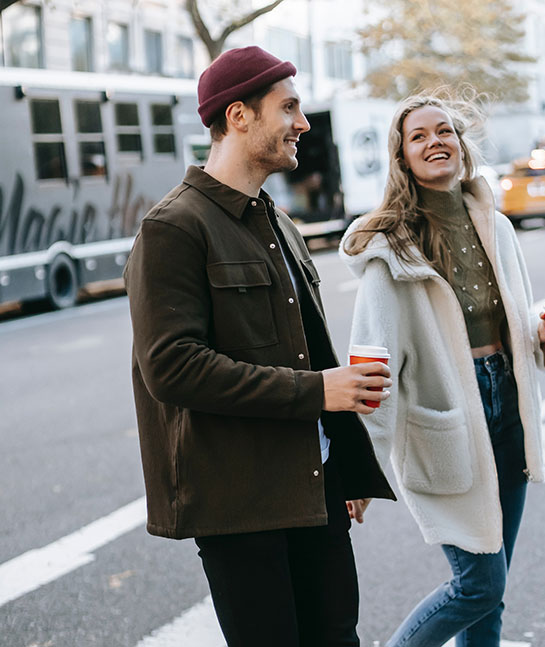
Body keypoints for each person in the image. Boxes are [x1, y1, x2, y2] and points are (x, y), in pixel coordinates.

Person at [123, 45, 395, 647]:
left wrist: (346, 465)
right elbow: (172, 367)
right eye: (290, 108)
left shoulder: (277, 220)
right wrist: (318, 392)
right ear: (239, 116)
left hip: (315, 486)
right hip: (241, 502)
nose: (303, 123)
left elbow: (309, 353)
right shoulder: (173, 228)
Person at [339, 91, 545, 647]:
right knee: (477, 586)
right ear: (402, 157)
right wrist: (360, 462)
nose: (434, 142)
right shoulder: (392, 248)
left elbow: (511, 320)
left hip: (508, 408)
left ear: (461, 143)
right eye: (418, 136)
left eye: (443, 131)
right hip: (447, 416)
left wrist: (543, 334)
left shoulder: (497, 225)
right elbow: (372, 360)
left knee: (491, 595)